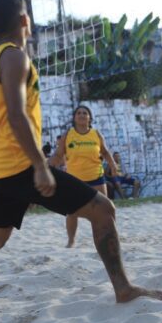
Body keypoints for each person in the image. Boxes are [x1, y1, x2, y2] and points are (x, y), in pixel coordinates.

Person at [0, 0, 162, 323]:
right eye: (27, 16)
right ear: (24, 21)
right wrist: (40, 166)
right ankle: (123, 289)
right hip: (16, 164)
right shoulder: (16, 58)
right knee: (104, 211)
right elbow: (17, 116)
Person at [54, 105, 118, 247]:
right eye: (79, 113)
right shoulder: (68, 134)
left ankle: (109, 236)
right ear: (74, 118)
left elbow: (106, 152)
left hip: (96, 177)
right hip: (74, 179)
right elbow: (58, 155)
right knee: (71, 212)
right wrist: (46, 168)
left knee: (105, 210)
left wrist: (113, 164)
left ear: (89, 118)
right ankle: (71, 241)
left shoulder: (96, 134)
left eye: (85, 113)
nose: (82, 115)